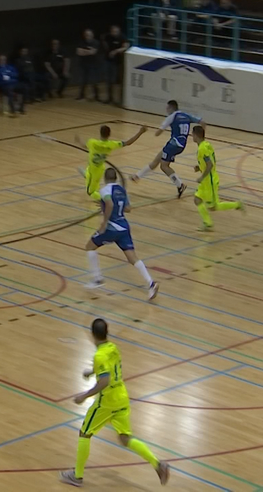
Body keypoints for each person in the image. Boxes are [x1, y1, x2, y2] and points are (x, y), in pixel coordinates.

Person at [59, 318, 169, 488]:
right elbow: (107, 367)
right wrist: (92, 371)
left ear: (92, 335)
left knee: (85, 433)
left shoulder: (99, 355)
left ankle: (77, 476)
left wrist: (84, 396)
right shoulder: (113, 348)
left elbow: (104, 381)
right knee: (125, 438)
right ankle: (157, 463)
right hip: (122, 397)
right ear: (107, 333)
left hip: (107, 401)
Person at [82, 169, 160, 300]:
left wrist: (104, 223)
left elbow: (110, 204)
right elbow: (128, 208)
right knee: (133, 258)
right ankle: (151, 283)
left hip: (112, 227)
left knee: (90, 247)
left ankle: (97, 278)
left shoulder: (105, 190)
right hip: (124, 227)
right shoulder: (121, 190)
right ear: (115, 178)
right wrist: (106, 205)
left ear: (105, 179)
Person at [131, 100, 202, 198]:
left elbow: (157, 133)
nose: (166, 110)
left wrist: (151, 130)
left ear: (171, 108)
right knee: (156, 160)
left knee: (164, 166)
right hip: (181, 145)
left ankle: (180, 185)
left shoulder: (171, 117)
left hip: (173, 144)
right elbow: (201, 121)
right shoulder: (186, 115)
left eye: (167, 108)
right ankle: (137, 176)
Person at [192, 125, 244, 231]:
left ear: (196, 135)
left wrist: (201, 176)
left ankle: (237, 204)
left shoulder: (202, 148)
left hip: (209, 180)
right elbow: (210, 161)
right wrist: (200, 167)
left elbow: (210, 164)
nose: (191, 136)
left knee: (213, 207)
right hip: (207, 180)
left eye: (192, 134)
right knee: (197, 199)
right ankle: (207, 223)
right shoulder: (207, 144)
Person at [77, 124, 146, 201]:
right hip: (100, 168)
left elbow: (85, 146)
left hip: (93, 170)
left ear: (100, 133)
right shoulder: (111, 144)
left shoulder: (92, 142)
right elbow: (128, 142)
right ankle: (86, 175)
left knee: (91, 192)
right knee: (90, 177)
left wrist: (79, 141)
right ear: (109, 134)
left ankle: (106, 199)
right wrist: (140, 132)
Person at [103, 26, 130, 105]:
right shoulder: (107, 37)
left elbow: (126, 46)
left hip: (118, 62)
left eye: (116, 32)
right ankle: (109, 97)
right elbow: (104, 42)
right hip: (108, 61)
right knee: (108, 80)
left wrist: (115, 51)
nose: (114, 33)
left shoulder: (122, 37)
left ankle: (119, 100)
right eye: (113, 32)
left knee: (116, 80)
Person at [76, 29, 100, 101]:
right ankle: (81, 95)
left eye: (89, 35)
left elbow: (93, 52)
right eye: (86, 35)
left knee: (93, 81)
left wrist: (84, 51)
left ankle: (96, 96)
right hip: (83, 64)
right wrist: (88, 51)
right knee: (83, 80)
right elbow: (78, 52)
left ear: (92, 35)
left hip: (93, 64)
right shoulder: (81, 42)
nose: (87, 36)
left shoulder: (95, 42)